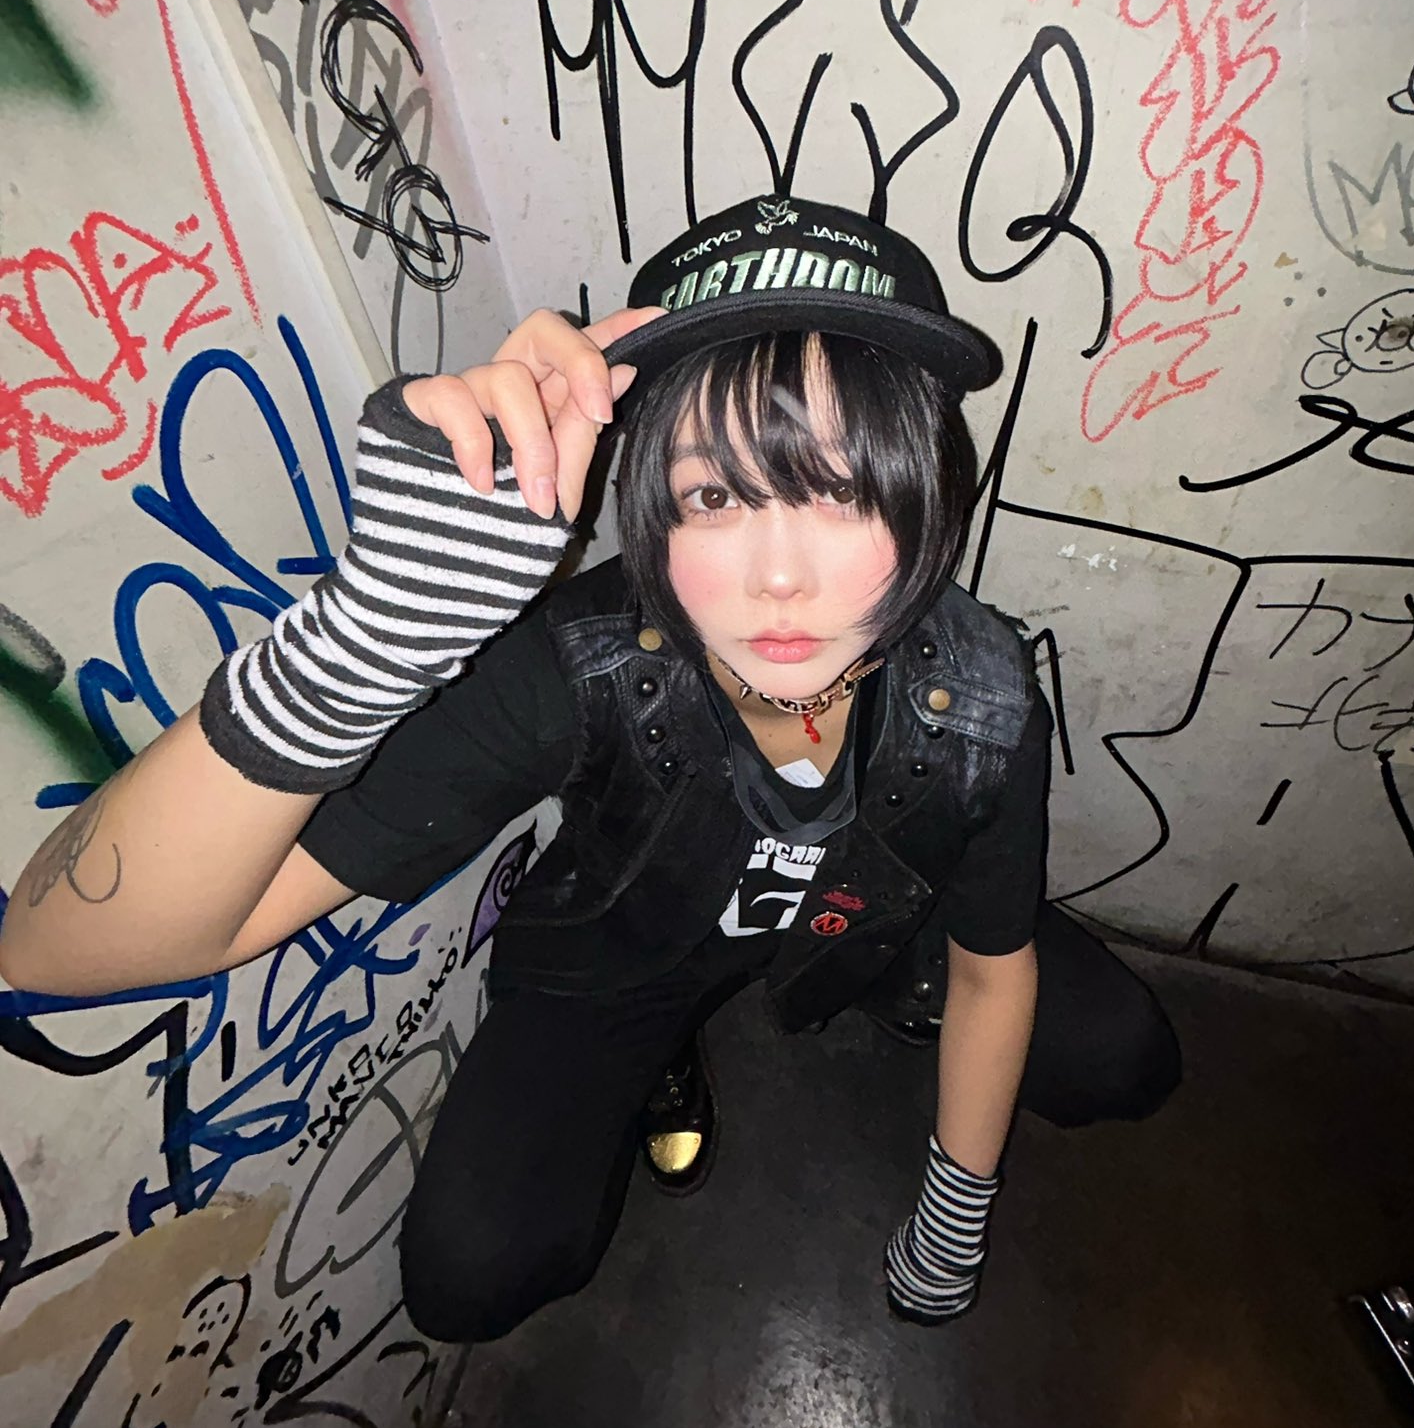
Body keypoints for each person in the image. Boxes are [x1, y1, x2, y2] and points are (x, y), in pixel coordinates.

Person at [0, 193, 1180, 1339]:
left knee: (1121, 1054)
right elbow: (55, 949)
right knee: (476, 1272)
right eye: (713, 492)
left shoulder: (978, 692)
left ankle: (843, 983)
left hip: (871, 918)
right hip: (632, 945)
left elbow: (993, 970)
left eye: (843, 487)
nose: (779, 575)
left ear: (930, 490)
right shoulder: (577, 663)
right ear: (647, 501)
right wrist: (369, 635)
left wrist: (954, 1216)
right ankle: (663, 1048)